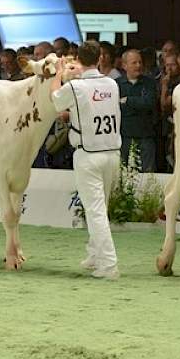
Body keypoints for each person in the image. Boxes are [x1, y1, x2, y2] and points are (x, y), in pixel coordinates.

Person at [51, 41, 121, 279]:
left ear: (78, 60)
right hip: (111, 153)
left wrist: (60, 73)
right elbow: (96, 110)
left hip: (88, 155)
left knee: (95, 211)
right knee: (101, 209)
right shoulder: (112, 84)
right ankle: (94, 255)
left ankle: (109, 265)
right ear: (100, 58)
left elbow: (55, 101)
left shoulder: (75, 87)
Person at [116, 49, 158, 171]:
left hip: (145, 137)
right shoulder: (116, 85)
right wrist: (139, 103)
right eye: (134, 63)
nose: (138, 66)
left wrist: (128, 101)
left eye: (140, 62)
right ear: (124, 65)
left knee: (148, 175)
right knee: (123, 174)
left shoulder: (149, 83)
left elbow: (149, 103)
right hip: (124, 138)